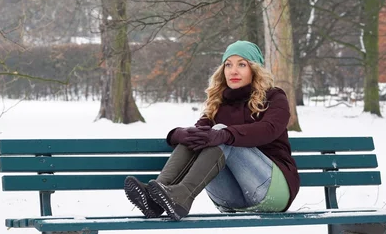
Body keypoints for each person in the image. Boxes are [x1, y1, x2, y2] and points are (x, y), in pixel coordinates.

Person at [124, 40, 300, 220]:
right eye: (228, 65)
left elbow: (268, 129)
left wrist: (225, 134)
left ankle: (183, 196)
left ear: (254, 69)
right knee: (198, 136)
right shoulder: (219, 103)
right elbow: (198, 134)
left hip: (272, 190)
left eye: (242, 64)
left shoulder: (274, 97)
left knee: (220, 132)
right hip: (231, 198)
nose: (233, 71)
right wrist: (178, 134)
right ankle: (156, 198)